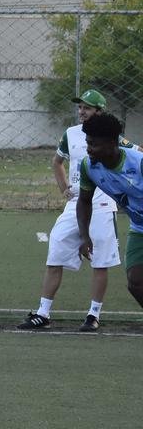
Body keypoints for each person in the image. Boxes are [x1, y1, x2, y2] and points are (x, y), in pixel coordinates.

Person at [17, 89, 132, 332]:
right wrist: (63, 188)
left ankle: (93, 314)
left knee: (100, 261)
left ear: (99, 112)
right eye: (80, 107)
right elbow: (57, 161)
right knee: (56, 248)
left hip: (102, 201)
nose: (82, 111)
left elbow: (133, 153)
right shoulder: (70, 134)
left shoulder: (111, 136)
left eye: (87, 108)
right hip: (76, 202)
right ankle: (43, 313)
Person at [77, 111, 143, 312]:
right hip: (140, 228)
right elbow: (84, 201)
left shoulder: (138, 162)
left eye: (94, 144)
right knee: (135, 281)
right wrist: (84, 236)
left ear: (113, 143)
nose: (89, 149)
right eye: (88, 143)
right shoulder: (89, 167)